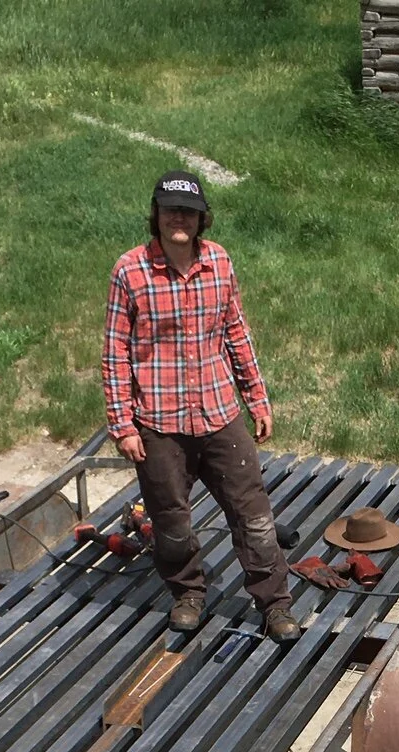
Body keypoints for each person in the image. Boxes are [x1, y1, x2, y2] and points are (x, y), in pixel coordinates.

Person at [102, 170, 298, 642]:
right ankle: (188, 593)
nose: (179, 219)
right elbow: (114, 353)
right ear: (156, 215)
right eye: (170, 209)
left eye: (188, 211)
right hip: (159, 422)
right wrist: (123, 425)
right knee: (170, 519)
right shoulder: (130, 271)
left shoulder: (219, 263)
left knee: (253, 513)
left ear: (201, 218)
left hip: (218, 413)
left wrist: (257, 398)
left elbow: (236, 333)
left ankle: (274, 603)